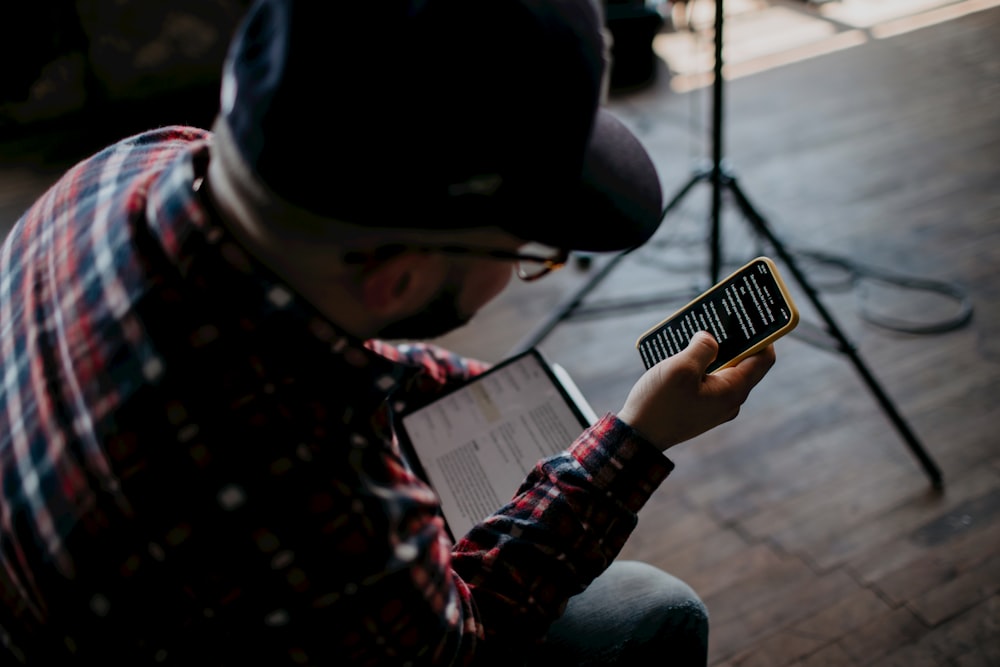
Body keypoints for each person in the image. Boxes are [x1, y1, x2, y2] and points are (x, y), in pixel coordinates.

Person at [0, 0, 776, 664]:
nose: (531, 262)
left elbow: (312, 340)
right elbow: (467, 640)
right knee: (651, 610)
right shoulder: (299, 480)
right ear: (396, 279)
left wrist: (441, 381)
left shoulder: (122, 170)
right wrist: (634, 443)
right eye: (528, 252)